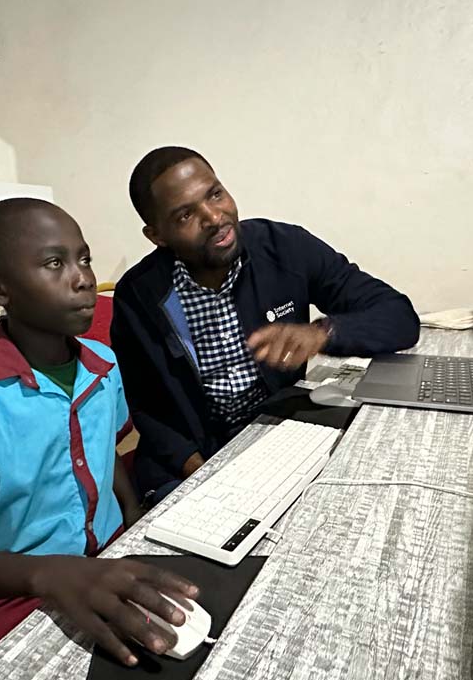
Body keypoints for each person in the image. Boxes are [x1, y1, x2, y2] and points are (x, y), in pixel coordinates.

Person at [0, 198, 199, 680]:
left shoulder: (102, 363)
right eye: (55, 264)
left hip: (102, 563)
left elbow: (105, 457)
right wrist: (49, 572)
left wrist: (135, 518)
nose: (81, 278)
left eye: (84, 259)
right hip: (17, 589)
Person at [112, 146, 420, 502]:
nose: (213, 217)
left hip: (277, 433)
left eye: (215, 194)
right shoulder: (138, 296)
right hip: (190, 461)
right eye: (185, 215)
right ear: (157, 236)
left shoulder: (284, 248)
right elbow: (146, 408)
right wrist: (206, 476)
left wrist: (322, 334)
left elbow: (399, 316)